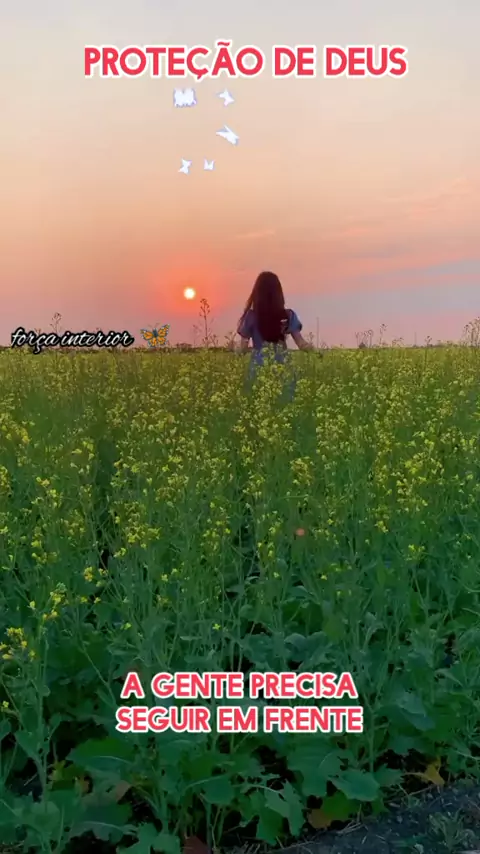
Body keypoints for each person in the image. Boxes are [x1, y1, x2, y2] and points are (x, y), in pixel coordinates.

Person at [237, 271, 313, 367]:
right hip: (282, 367)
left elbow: (243, 349)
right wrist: (316, 351)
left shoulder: (251, 317)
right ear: (278, 293)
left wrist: (233, 349)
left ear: (257, 293)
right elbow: (301, 344)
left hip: (258, 368)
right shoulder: (288, 315)